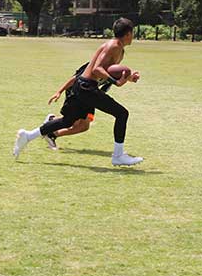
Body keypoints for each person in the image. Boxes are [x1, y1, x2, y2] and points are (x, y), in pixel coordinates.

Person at [13, 18, 144, 166]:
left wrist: (128, 78)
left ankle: (28, 136)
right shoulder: (113, 46)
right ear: (128, 34)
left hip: (83, 87)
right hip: (87, 87)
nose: (132, 36)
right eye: (132, 33)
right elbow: (96, 69)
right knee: (122, 113)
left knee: (67, 121)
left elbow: (108, 70)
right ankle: (118, 156)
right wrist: (115, 82)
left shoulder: (117, 47)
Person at [40, 62, 118, 150]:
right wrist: (59, 92)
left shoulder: (114, 72)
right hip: (76, 91)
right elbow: (74, 79)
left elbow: (103, 90)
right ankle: (51, 123)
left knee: (83, 126)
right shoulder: (94, 65)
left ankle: (52, 133)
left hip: (90, 95)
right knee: (73, 121)